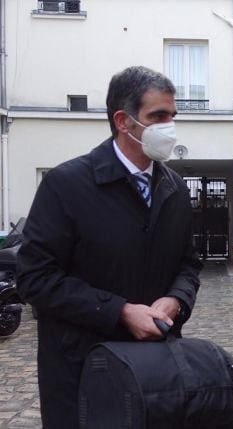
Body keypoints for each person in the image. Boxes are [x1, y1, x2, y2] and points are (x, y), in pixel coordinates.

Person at [17, 66, 203, 429]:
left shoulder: (174, 188)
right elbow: (35, 278)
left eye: (172, 116)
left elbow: (188, 264)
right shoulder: (65, 185)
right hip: (82, 372)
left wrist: (177, 299)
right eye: (158, 116)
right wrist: (119, 311)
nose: (169, 127)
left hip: (155, 372)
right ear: (123, 120)